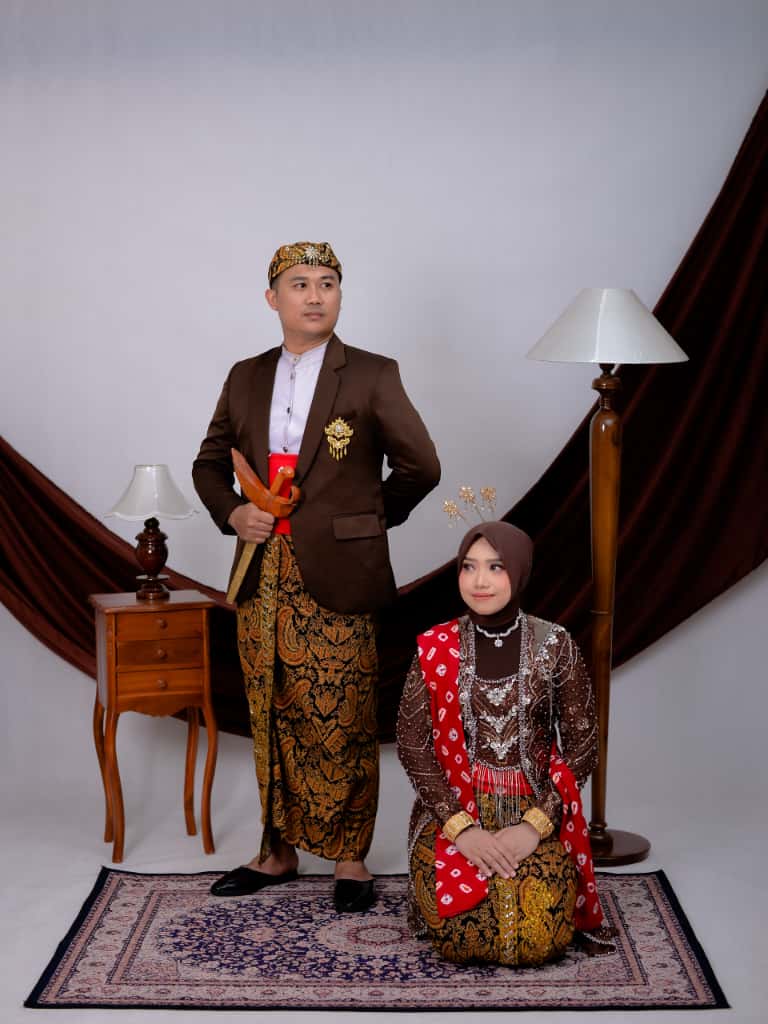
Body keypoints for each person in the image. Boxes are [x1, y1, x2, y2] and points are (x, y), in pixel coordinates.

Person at [193, 241, 440, 913]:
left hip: (339, 571)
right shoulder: (245, 375)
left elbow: (422, 466)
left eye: (327, 283)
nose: (314, 295)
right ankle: (275, 851)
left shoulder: (372, 373)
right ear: (272, 298)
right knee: (270, 707)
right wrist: (234, 512)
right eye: (299, 283)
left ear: (339, 295)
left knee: (343, 712)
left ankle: (349, 857)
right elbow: (209, 463)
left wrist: (364, 520)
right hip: (261, 570)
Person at [397, 521, 613, 964]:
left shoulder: (554, 645)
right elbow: (412, 743)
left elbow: (583, 743)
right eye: (468, 567)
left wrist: (535, 826)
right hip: (453, 810)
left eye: (495, 567)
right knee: (455, 932)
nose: (479, 581)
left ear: (519, 570)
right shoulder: (436, 646)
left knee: (538, 932)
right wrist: (462, 830)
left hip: (537, 810)